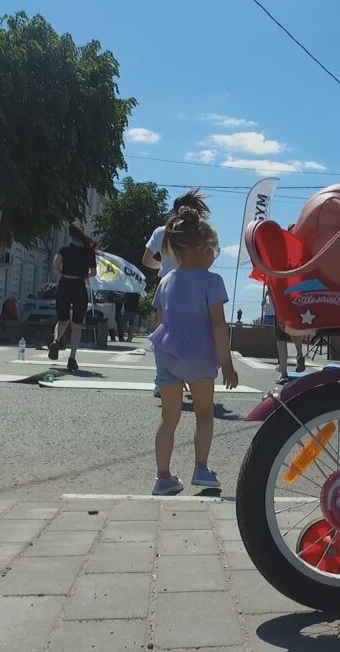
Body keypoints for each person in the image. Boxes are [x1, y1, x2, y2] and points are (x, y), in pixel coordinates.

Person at [147, 207, 238, 494]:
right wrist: (227, 362)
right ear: (201, 249)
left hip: (168, 354)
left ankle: (163, 477)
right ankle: (201, 468)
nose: (215, 255)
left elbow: (161, 321)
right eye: (214, 249)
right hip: (199, 355)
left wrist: (173, 360)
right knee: (203, 413)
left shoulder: (165, 281)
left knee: (169, 417)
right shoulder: (213, 282)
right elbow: (218, 325)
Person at [143, 190, 211, 397]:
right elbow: (210, 259)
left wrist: (162, 266)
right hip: (194, 288)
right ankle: (191, 377)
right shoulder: (201, 233)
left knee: (164, 334)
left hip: (167, 287)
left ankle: (162, 382)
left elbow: (146, 259)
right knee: (192, 335)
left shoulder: (161, 232)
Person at [48, 223, 98, 372]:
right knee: (77, 324)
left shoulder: (64, 250)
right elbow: (94, 273)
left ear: (70, 234)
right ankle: (72, 358)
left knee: (62, 319)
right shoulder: (89, 252)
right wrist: (84, 274)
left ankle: (56, 341)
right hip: (79, 286)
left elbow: (55, 265)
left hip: (64, 285)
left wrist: (63, 273)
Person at [264, 284, 306, 384]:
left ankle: (284, 373)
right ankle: (299, 353)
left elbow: (271, 289)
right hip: (293, 300)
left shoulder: (273, 269)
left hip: (280, 303)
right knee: (294, 329)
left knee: (281, 338)